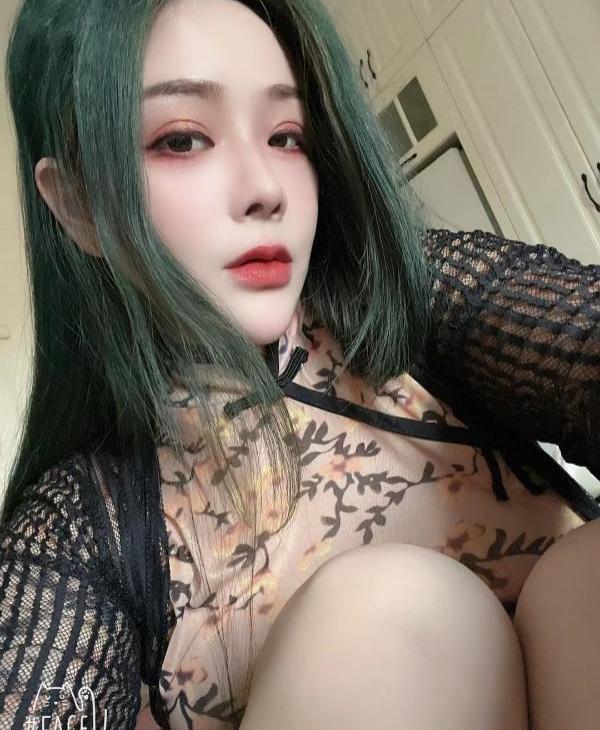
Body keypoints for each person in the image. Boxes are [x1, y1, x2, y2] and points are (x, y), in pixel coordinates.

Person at [1, 1, 599, 729]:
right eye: (182, 139)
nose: (266, 188)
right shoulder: (77, 533)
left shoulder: (408, 300)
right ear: (78, 204)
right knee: (387, 617)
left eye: (287, 136)